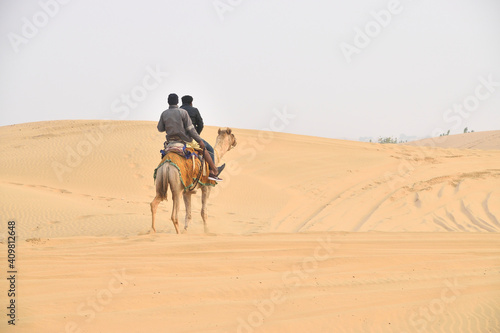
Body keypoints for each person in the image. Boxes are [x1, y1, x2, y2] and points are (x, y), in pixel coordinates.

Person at [157, 93, 222, 181]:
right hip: (185, 140)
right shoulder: (183, 112)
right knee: (205, 149)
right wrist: (199, 140)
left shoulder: (164, 113)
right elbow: (191, 129)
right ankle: (213, 171)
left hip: (170, 142)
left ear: (168, 102)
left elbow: (160, 129)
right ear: (177, 101)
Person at [180, 95, 215, 162]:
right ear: (191, 102)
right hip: (192, 138)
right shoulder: (194, 110)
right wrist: (196, 135)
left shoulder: (178, 111)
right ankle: (212, 170)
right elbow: (200, 124)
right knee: (210, 149)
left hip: (179, 137)